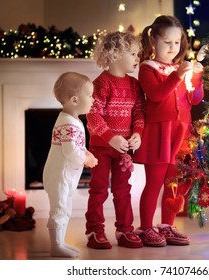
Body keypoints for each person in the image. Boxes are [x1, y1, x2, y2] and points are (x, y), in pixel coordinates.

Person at [133, 15, 204, 247]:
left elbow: (194, 99)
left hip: (180, 133)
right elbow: (156, 94)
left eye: (177, 42)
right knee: (154, 182)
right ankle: (146, 227)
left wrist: (197, 76)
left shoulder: (179, 68)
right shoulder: (147, 68)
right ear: (153, 41)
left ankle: (167, 225)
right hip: (159, 133)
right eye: (167, 42)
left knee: (173, 182)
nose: (173, 48)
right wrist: (178, 75)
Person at [85, 31, 145, 249]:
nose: (137, 58)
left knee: (122, 190)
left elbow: (139, 113)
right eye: (133, 53)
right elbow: (92, 115)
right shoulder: (101, 84)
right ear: (115, 54)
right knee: (99, 189)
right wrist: (110, 138)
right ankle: (95, 230)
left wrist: (137, 134)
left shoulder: (134, 85)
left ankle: (124, 230)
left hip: (123, 150)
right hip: (101, 148)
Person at [43, 72, 98, 258]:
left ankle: (60, 242)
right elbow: (71, 152)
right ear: (75, 100)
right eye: (89, 95)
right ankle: (56, 246)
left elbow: (77, 146)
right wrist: (86, 159)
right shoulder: (69, 124)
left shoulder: (72, 121)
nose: (93, 99)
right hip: (60, 176)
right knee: (59, 209)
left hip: (65, 175)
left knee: (65, 208)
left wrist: (87, 153)